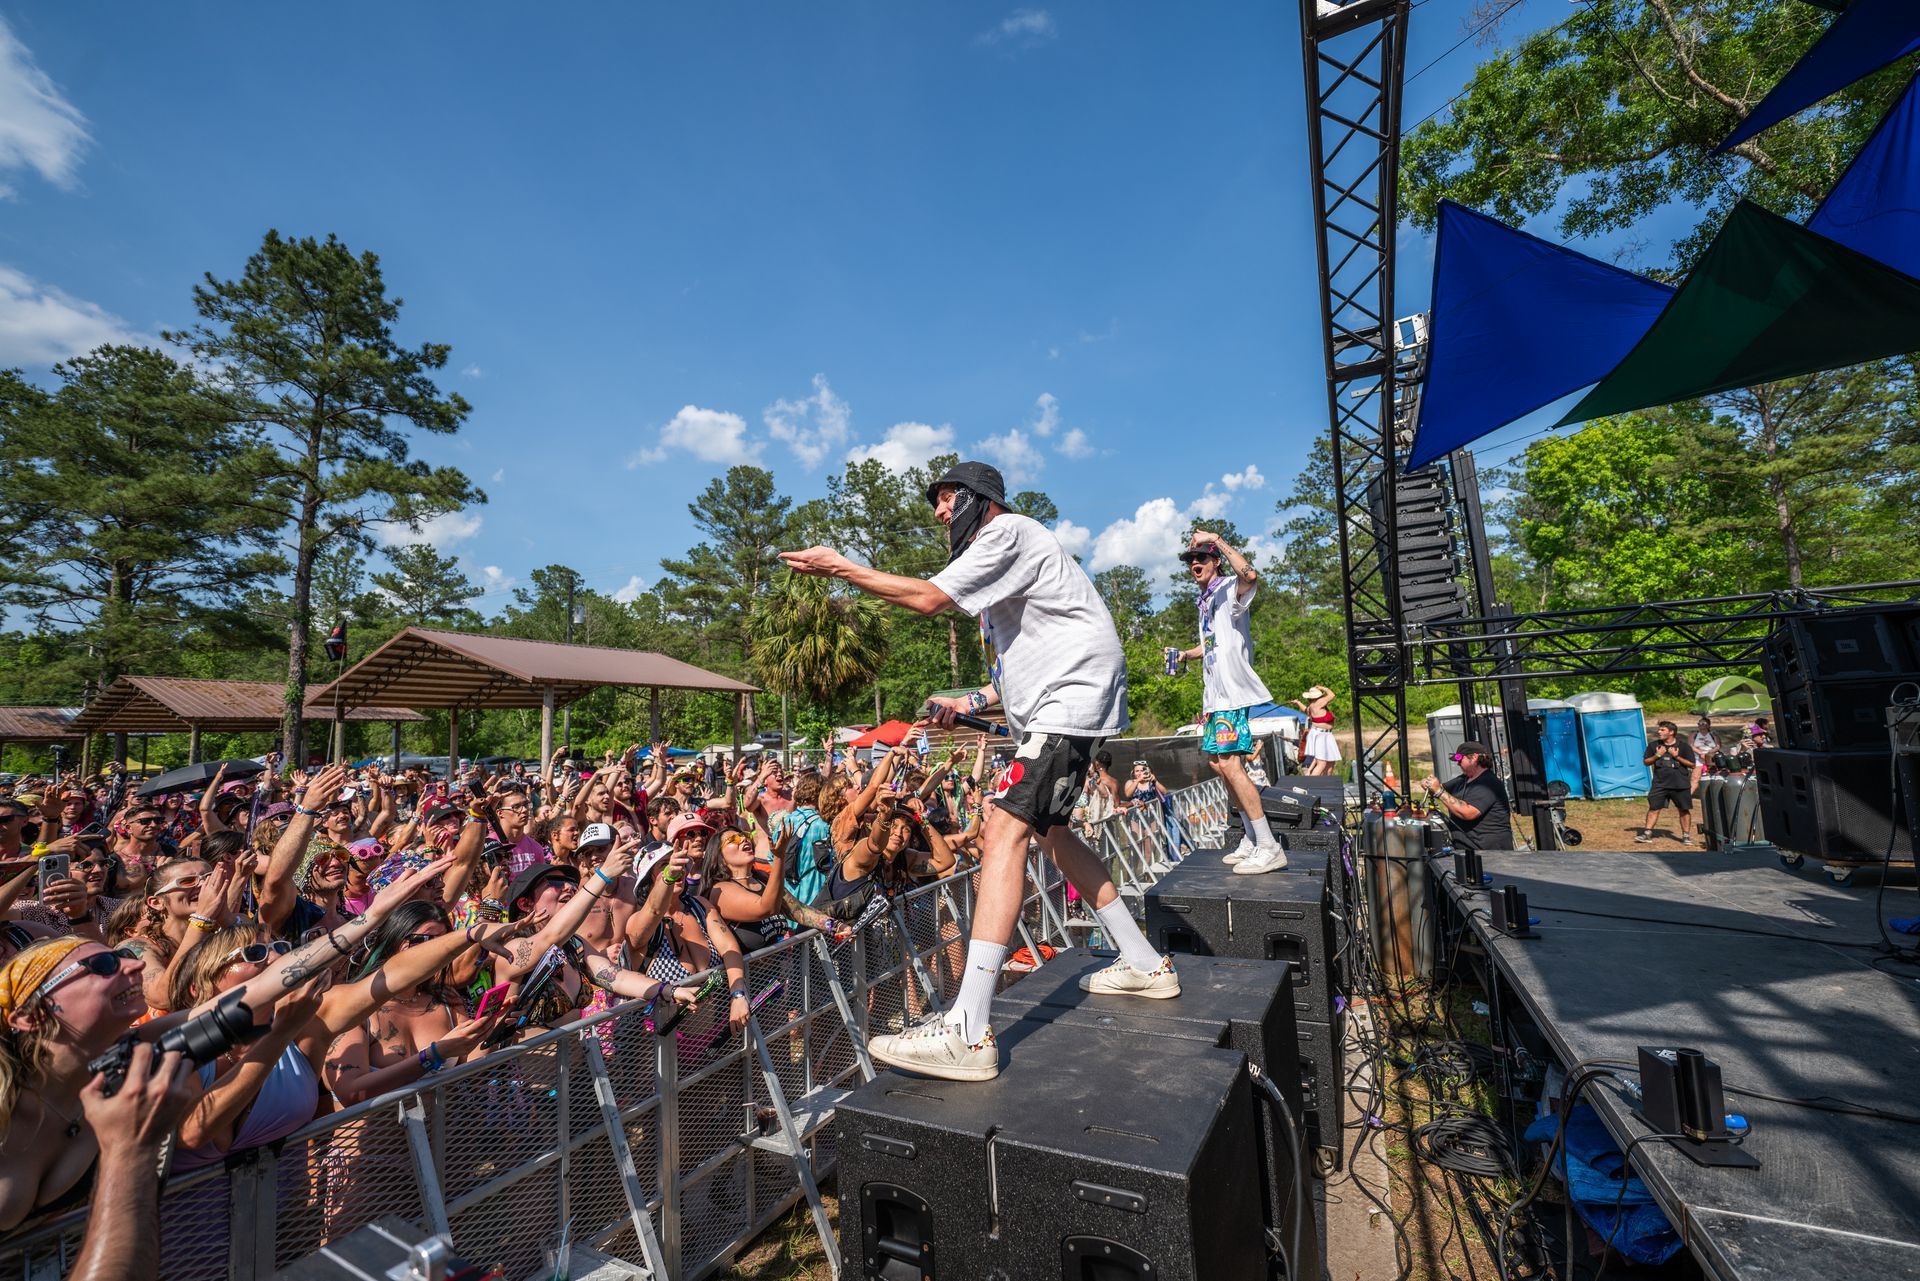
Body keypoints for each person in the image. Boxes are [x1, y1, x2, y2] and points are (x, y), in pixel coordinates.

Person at [781, 459, 1175, 1082]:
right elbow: (1020, 671)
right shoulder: (1005, 580)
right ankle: (1143, 958)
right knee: (1050, 832)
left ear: (980, 499)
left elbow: (929, 598)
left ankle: (967, 1028)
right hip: (1067, 697)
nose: (939, 511)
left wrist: (841, 567)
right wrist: (970, 704)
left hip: (1070, 699)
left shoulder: (1007, 531)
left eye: (947, 498)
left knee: (1001, 825)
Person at [1174, 531, 1287, 874]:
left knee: (1232, 765)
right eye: (1191, 560)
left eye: (1202, 558)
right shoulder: (1206, 599)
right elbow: (1211, 644)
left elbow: (1250, 575)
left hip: (1231, 694)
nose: (1195, 563)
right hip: (1215, 696)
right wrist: (1186, 655)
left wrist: (1217, 539)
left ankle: (1269, 845)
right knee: (1219, 765)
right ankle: (1252, 837)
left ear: (1216, 561)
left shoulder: (1226, 587)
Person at [1417, 740, 1513, 851]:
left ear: (1474, 758)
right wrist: (1427, 783)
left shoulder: (1488, 783)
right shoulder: (1463, 779)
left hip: (1489, 852)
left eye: (1460, 759)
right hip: (1466, 850)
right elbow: (1437, 787)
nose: (1458, 764)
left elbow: (1467, 812)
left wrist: (1439, 792)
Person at [1638, 720, 1698, 845]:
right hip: (1660, 784)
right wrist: (1657, 755)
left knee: (1683, 810)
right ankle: (1647, 834)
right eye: (1659, 729)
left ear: (1671, 732)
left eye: (1662, 730)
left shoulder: (1684, 747)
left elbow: (1692, 765)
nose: (1659, 732)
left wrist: (1676, 757)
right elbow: (1646, 762)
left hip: (1680, 784)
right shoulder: (1654, 745)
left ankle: (1686, 836)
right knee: (1654, 808)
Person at [1291, 686, 1341, 776]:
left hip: (1326, 735)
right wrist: (1323, 688)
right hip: (1320, 734)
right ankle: (1311, 784)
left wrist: (1297, 702)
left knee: (1330, 763)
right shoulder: (1319, 702)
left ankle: (1325, 784)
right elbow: (1332, 695)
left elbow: (1305, 710)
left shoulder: (1311, 706)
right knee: (1322, 764)